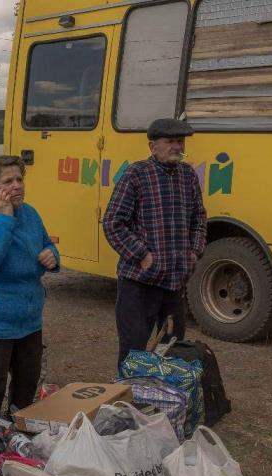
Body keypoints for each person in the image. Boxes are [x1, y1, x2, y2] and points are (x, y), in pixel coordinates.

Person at [103, 118, 206, 368]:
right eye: (170, 141)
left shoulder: (188, 176)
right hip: (140, 283)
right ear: (152, 146)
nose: (176, 147)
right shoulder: (136, 174)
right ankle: (128, 402)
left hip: (173, 283)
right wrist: (142, 255)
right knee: (134, 351)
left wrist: (194, 252)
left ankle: (161, 401)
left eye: (180, 141)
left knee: (172, 348)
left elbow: (199, 217)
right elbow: (113, 223)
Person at [0, 155, 60, 412]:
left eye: (19, 179)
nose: (17, 185)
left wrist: (53, 255)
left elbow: (46, 243)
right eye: (8, 181)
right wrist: (4, 218)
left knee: (26, 386)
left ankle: (16, 440)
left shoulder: (30, 214)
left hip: (28, 318)